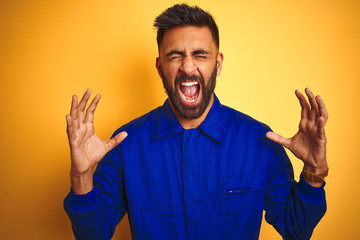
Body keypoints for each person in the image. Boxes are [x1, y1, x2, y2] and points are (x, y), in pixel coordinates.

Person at [64, 4, 328, 240]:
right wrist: (81, 176)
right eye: (175, 55)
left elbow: (296, 230)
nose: (188, 67)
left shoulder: (260, 142)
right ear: (159, 67)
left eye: (200, 55)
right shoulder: (125, 144)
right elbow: (93, 235)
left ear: (218, 64)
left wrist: (314, 171)